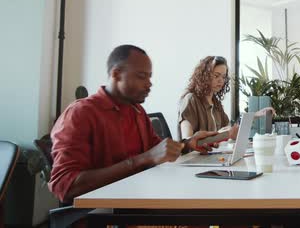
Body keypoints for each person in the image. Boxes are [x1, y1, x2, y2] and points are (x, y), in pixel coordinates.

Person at [49, 45, 216, 203]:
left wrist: (188, 144)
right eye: (142, 76)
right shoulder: (81, 113)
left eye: (150, 76)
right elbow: (65, 185)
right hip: (102, 214)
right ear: (116, 74)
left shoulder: (137, 111)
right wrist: (142, 160)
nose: (149, 83)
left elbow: (157, 151)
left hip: (138, 200)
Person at [178, 56, 274, 140]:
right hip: (196, 159)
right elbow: (188, 141)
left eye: (223, 77)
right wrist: (222, 135)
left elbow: (229, 129)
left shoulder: (215, 103)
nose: (221, 80)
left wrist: (256, 115)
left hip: (213, 155)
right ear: (204, 76)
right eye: (216, 76)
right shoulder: (191, 99)